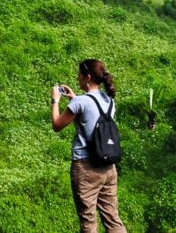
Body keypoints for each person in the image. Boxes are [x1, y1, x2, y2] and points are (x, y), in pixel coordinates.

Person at [50, 59, 126, 233]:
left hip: (86, 168)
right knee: (113, 218)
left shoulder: (80, 103)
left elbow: (57, 125)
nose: (77, 78)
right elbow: (91, 113)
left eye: (79, 75)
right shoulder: (109, 101)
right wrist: (75, 98)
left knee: (88, 221)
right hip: (108, 167)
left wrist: (55, 100)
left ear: (88, 77)